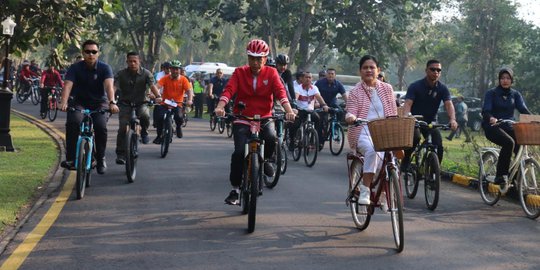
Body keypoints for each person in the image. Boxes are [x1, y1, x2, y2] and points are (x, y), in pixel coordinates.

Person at [214, 39, 296, 205]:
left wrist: (289, 111)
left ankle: (264, 161)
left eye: (260, 59)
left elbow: (281, 93)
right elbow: (229, 90)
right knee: (238, 153)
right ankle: (235, 189)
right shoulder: (239, 72)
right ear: (248, 57)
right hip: (242, 117)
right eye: (252, 58)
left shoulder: (272, 74)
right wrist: (220, 106)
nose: (256, 62)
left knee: (272, 137)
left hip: (265, 117)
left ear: (265, 59)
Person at [59, 39, 119, 174]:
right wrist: (64, 102)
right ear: (83, 53)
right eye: (87, 52)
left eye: (94, 52)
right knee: (73, 123)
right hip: (78, 102)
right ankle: (71, 158)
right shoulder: (75, 68)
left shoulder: (105, 68)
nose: (90, 54)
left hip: (99, 103)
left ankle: (101, 157)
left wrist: (112, 102)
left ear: (98, 53)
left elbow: (109, 86)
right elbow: (67, 85)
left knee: (100, 127)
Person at [345, 55, 397, 205]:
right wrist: (351, 117)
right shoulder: (355, 91)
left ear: (378, 70)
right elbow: (351, 111)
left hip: (384, 131)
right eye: (365, 68)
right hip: (362, 130)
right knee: (373, 150)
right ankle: (366, 189)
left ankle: (384, 192)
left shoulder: (387, 89)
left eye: (372, 67)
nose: (369, 70)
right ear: (360, 71)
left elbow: (393, 112)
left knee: (393, 157)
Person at [400, 59, 458, 175]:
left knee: (438, 145)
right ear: (426, 70)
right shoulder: (415, 86)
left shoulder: (442, 88)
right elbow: (408, 103)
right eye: (433, 69)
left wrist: (452, 119)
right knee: (415, 139)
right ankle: (406, 159)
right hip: (415, 120)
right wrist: (407, 116)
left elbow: (448, 104)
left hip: (431, 121)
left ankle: (433, 174)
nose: (436, 72)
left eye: (438, 70)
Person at [482, 67, 531, 185]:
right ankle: (501, 175)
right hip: (493, 127)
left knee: (521, 146)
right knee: (509, 142)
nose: (505, 80)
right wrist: (491, 118)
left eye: (508, 78)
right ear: (499, 80)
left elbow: (523, 109)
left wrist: (533, 119)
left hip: (509, 126)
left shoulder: (515, 94)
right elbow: (486, 111)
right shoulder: (491, 93)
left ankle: (515, 179)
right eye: (502, 78)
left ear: (511, 80)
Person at [114, 52, 161, 164]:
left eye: (135, 61)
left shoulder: (146, 73)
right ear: (127, 62)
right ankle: (120, 154)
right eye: (130, 61)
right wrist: (110, 100)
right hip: (125, 104)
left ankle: (144, 131)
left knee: (145, 115)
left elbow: (152, 86)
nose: (132, 63)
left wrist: (158, 96)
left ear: (139, 61)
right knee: (122, 128)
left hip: (141, 102)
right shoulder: (121, 74)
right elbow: (114, 86)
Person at [152, 60, 193, 143]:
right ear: (170, 69)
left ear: (180, 70)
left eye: (177, 69)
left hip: (177, 103)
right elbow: (157, 86)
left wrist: (190, 100)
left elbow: (189, 91)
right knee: (159, 118)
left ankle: (178, 127)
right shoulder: (165, 78)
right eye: (173, 69)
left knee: (179, 117)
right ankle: (159, 136)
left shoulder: (184, 80)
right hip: (165, 103)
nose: (175, 71)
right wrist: (156, 95)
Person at [290, 71, 328, 150]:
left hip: (310, 111)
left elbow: (319, 97)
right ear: (302, 79)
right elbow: (295, 98)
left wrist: (324, 105)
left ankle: (312, 140)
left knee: (318, 119)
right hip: (300, 110)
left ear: (312, 79)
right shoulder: (298, 88)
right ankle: (292, 141)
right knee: (295, 124)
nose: (308, 79)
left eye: (309, 77)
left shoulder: (314, 88)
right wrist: (294, 107)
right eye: (306, 77)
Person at [315, 68, 347, 146]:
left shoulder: (338, 84)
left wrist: (349, 105)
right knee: (322, 122)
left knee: (340, 111)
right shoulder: (319, 83)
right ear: (326, 75)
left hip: (332, 103)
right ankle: (320, 141)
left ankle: (336, 126)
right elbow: (313, 93)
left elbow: (344, 96)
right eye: (329, 73)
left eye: (332, 74)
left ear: (335, 75)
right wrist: (315, 103)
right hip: (321, 104)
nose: (330, 75)